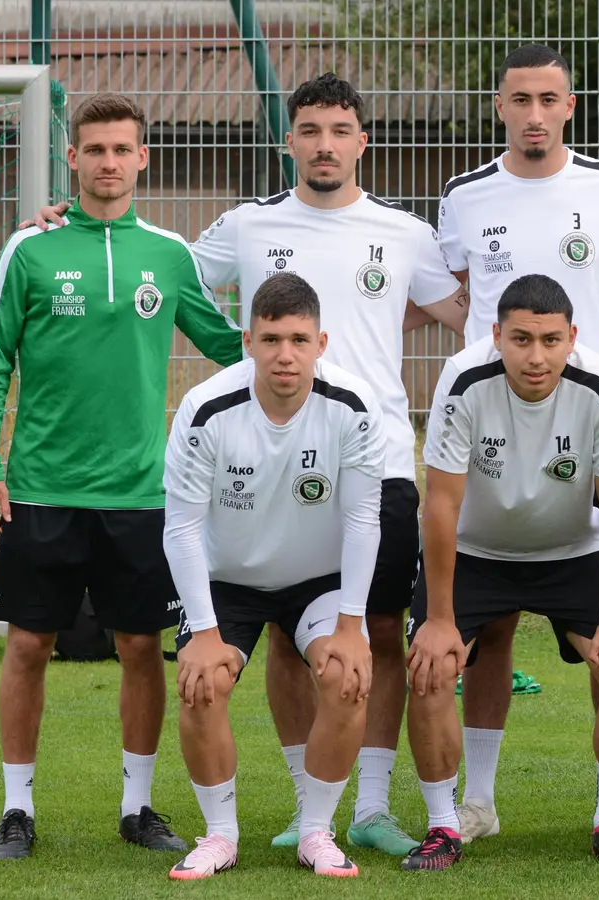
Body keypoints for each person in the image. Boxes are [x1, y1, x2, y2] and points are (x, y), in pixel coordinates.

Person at [26, 74, 465, 855]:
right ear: (288, 140)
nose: (325, 144)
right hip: (271, 459)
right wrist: (74, 223)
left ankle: (368, 807)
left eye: (339, 130)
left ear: (362, 141)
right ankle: (308, 809)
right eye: (310, 130)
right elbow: (147, 267)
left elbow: (466, 312)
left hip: (379, 456)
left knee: (378, 635)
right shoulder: (247, 226)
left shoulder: (405, 232)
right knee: (290, 632)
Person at [0, 93, 243, 859]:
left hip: (139, 493)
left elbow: (231, 350)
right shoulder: (30, 251)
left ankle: (137, 806)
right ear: (74, 158)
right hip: (40, 489)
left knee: (137, 645)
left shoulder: (167, 254)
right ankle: (16, 809)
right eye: (95, 149)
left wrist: (320, 365)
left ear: (143, 157)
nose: (109, 163)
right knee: (27, 644)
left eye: (122, 149)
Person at [433, 42, 599, 842]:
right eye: (520, 100)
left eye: (550, 100)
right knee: (490, 636)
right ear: (500, 106)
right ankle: (475, 802)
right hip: (490, 425)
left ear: (569, 106)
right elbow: (441, 299)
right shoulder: (465, 195)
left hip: (587, 421)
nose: (535, 115)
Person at [401, 274, 599, 871]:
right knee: (431, 667)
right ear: (496, 335)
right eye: (520, 339)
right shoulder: (463, 378)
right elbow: (440, 501)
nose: (535, 357)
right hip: (478, 553)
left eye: (549, 340)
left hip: (572, 552)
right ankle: (448, 824)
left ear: (572, 337)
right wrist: (438, 619)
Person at [162, 272, 384, 880]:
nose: (285, 354)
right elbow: (179, 528)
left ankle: (316, 829)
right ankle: (220, 835)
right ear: (248, 343)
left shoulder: (354, 406)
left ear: (321, 343)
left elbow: (365, 517)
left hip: (318, 577)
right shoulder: (205, 409)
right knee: (201, 681)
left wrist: (351, 624)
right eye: (270, 339)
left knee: (346, 676)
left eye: (298, 339)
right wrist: (204, 633)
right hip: (227, 576)